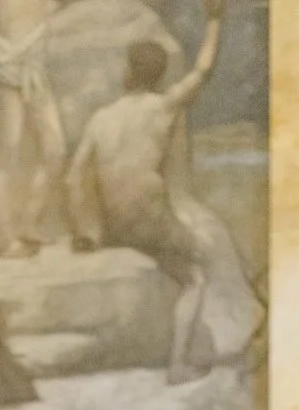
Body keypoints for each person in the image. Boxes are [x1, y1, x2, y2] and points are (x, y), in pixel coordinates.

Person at [67, 1, 226, 383]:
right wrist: (215, 22)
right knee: (197, 275)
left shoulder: (101, 117)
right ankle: (178, 365)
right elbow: (203, 69)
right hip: (150, 222)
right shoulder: (164, 107)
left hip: (112, 225)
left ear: (127, 72)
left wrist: (85, 230)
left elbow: (73, 177)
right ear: (158, 75)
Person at [0, 0, 70, 256]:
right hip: (8, 66)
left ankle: (28, 223)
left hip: (35, 65)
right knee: (8, 150)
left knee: (55, 150)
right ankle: (7, 239)